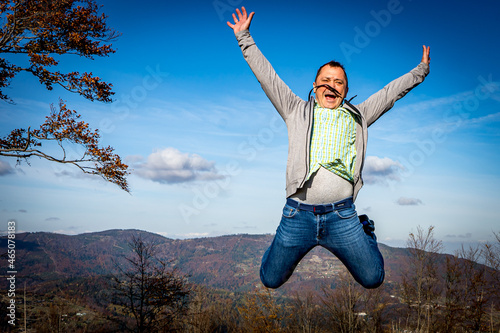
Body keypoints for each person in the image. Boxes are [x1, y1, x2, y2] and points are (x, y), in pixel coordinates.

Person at [227, 7, 430, 289]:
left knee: (373, 278)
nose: (331, 85)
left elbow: (390, 93)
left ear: (345, 91)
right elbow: (267, 77)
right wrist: (244, 37)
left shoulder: (358, 115)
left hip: (342, 216)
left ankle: (365, 229)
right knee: (270, 279)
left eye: (339, 82)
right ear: (315, 86)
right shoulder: (296, 109)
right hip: (298, 214)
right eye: (325, 81)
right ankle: (282, 238)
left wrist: (420, 71)